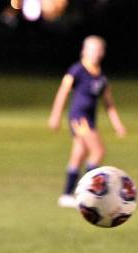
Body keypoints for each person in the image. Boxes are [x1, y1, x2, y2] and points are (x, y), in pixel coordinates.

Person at [48, 35, 127, 208]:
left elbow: (109, 104)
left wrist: (118, 125)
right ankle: (88, 193)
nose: (94, 53)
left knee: (79, 155)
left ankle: (67, 195)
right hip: (79, 118)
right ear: (84, 51)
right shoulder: (77, 70)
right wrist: (55, 115)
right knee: (98, 151)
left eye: (98, 50)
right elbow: (63, 91)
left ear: (102, 53)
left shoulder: (101, 78)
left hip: (90, 120)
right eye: (91, 49)